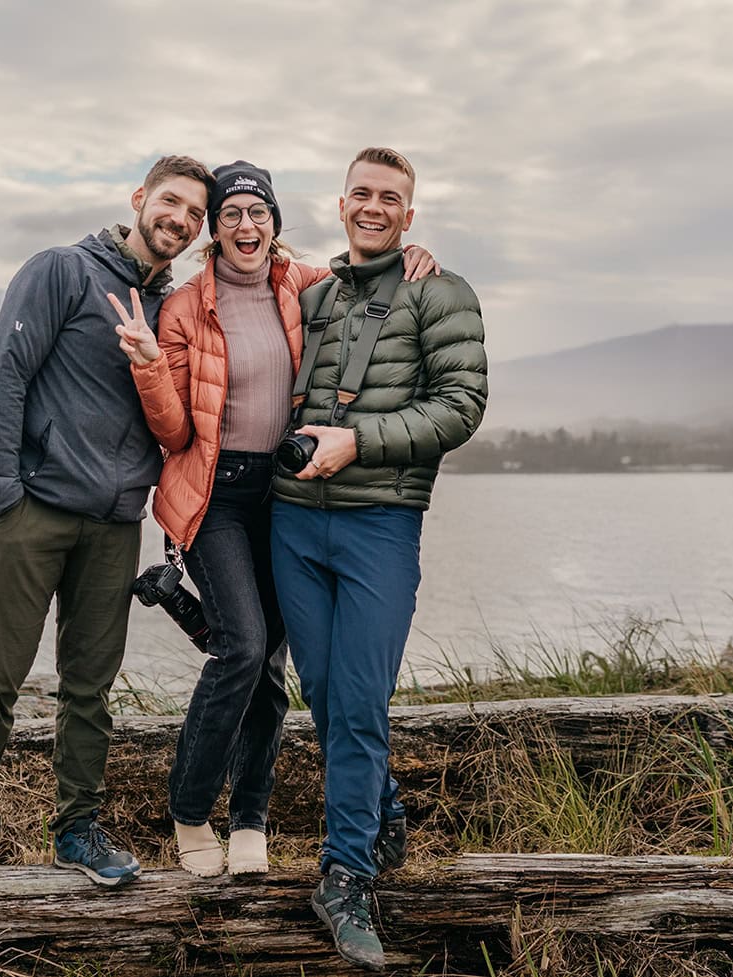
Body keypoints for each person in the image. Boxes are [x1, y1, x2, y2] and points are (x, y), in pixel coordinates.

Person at [110, 161, 437, 879]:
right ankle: (191, 810)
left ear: (275, 223)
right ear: (212, 229)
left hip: (287, 495)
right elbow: (170, 430)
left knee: (270, 668)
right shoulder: (185, 306)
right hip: (216, 496)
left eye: (258, 213)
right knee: (242, 647)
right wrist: (144, 365)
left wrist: (412, 258)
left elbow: (367, 275)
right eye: (230, 215)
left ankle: (250, 815)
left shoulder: (306, 285)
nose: (245, 226)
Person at [0, 155, 214, 890]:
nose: (179, 220)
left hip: (114, 523)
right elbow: (5, 373)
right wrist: (2, 492)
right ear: (140, 198)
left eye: (194, 215)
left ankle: (78, 829)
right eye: (170, 202)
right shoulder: (61, 271)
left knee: (90, 688)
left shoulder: (171, 308)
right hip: (34, 510)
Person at [270, 147, 488, 971]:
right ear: (340, 202)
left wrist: (357, 441)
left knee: (360, 699)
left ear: (408, 212)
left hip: (379, 525)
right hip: (291, 524)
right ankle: (382, 811)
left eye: (388, 197)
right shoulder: (311, 292)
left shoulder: (441, 291)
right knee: (327, 699)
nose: (372, 206)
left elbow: (461, 404)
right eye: (360, 192)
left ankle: (346, 872)